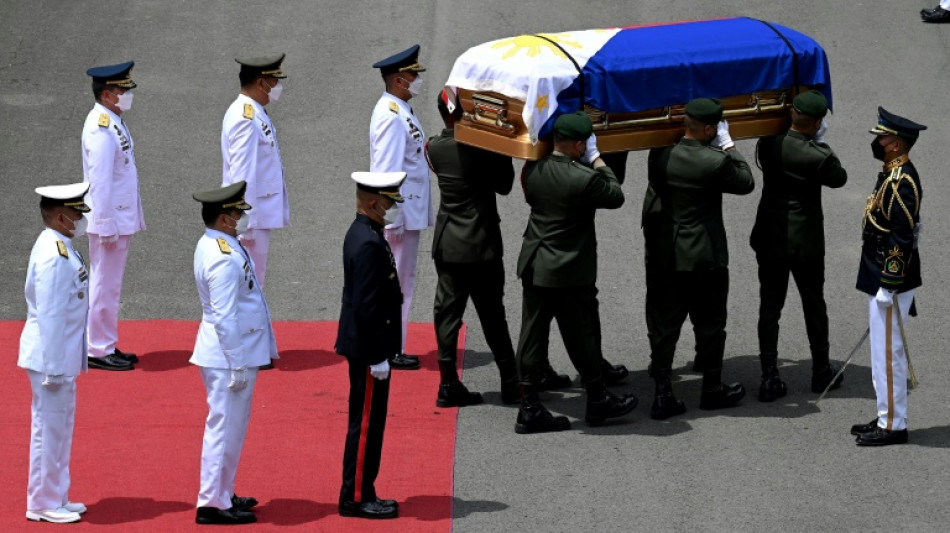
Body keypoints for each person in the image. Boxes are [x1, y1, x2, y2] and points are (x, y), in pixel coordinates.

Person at [514, 111, 637, 434]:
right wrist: (596, 158)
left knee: (532, 335)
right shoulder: (583, 178)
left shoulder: (533, 172)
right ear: (580, 144)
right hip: (568, 270)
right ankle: (597, 399)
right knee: (581, 334)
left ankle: (529, 406)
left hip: (535, 262)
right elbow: (616, 193)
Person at [641, 98, 754, 420]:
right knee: (711, 323)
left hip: (666, 254)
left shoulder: (660, 154)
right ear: (709, 129)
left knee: (663, 323)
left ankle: (662, 392)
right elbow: (746, 181)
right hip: (704, 256)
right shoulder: (715, 161)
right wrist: (728, 144)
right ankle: (712, 389)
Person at [751, 90, 848, 402]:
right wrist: (818, 141)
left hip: (771, 236)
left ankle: (769, 376)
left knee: (770, 305)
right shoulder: (817, 156)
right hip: (805, 241)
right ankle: (821, 370)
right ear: (817, 122)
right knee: (813, 303)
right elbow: (840, 177)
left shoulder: (768, 144)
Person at [190, 181, 277, 525]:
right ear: (225, 219)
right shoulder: (223, 258)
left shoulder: (218, 243)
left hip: (226, 354)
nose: (243, 218)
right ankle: (212, 502)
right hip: (228, 357)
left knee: (231, 429)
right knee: (224, 429)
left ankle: (223, 490)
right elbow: (225, 316)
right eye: (238, 213)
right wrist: (238, 363)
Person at [850, 107, 925, 447]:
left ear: (895, 144)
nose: (876, 141)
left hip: (889, 278)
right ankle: (886, 415)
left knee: (888, 353)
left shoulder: (902, 181)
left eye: (881, 137)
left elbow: (902, 236)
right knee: (879, 354)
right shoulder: (891, 174)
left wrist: (890, 283)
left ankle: (894, 425)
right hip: (878, 273)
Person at [335, 171, 406, 519]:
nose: (393, 207)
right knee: (365, 425)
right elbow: (365, 306)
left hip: (371, 346)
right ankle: (357, 497)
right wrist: (378, 355)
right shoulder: (367, 242)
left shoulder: (367, 233)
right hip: (368, 350)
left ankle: (365, 489)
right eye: (390, 201)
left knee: (370, 423)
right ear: (375, 203)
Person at [19, 183, 91, 524]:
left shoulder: (61, 244)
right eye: (77, 214)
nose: (81, 219)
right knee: (49, 429)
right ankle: (43, 501)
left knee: (59, 428)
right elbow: (48, 312)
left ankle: (57, 493)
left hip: (60, 354)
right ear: (61, 217)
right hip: (50, 357)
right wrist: (52, 367)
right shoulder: (53, 253)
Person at [369, 44, 434, 370]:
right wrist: (389, 218)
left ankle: (394, 344)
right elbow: (387, 169)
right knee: (396, 283)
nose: (417, 79)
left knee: (402, 281)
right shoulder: (391, 116)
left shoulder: (400, 110)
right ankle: (390, 347)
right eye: (413, 75)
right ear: (398, 80)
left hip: (408, 211)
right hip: (399, 214)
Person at [82, 61, 145, 371]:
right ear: (107, 94)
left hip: (117, 217)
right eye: (122, 90)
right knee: (104, 284)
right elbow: (101, 180)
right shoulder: (100, 127)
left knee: (110, 284)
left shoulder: (112, 119)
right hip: (109, 220)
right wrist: (105, 224)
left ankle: (105, 342)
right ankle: (97, 348)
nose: (127, 94)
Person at [221, 53, 291, 290]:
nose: (278, 87)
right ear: (261, 83)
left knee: (251, 285)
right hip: (250, 219)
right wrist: (244, 220)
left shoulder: (252, 111)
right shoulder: (245, 117)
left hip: (254, 216)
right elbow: (242, 172)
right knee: (248, 287)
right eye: (274, 81)